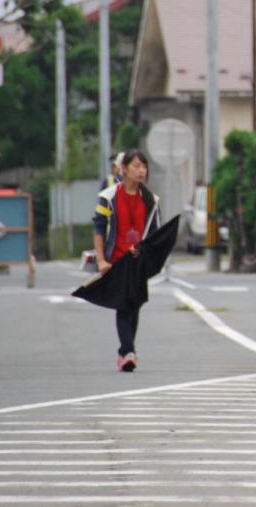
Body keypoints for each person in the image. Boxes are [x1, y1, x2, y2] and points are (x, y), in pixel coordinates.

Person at [93, 150, 161, 372]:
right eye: (136, 166)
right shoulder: (108, 196)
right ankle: (129, 351)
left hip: (138, 261)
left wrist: (144, 251)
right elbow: (99, 228)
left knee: (135, 305)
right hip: (117, 260)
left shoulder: (151, 199)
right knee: (123, 306)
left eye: (144, 166)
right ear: (123, 169)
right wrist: (102, 259)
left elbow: (154, 232)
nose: (141, 170)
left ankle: (125, 352)